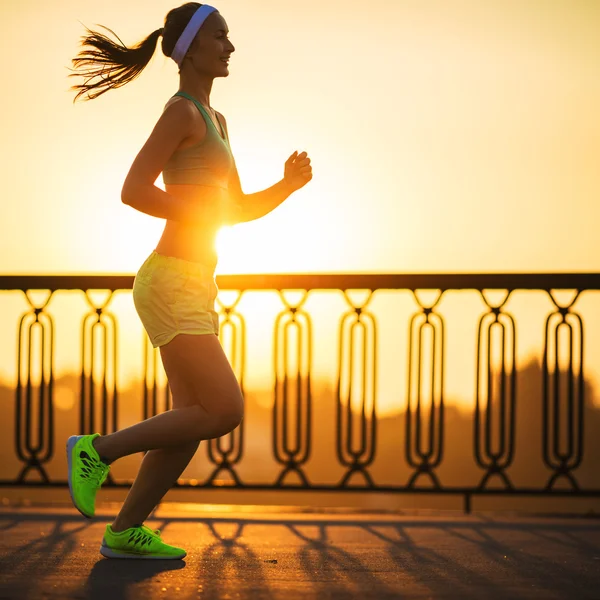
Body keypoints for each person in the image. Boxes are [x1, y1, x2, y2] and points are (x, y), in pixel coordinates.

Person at [66, 2, 313, 560]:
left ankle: (125, 530)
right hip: (170, 281)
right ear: (194, 48)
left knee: (188, 423)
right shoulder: (181, 113)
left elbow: (239, 209)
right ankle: (96, 451)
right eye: (221, 37)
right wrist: (194, 213)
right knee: (224, 409)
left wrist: (287, 186)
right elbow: (133, 189)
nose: (230, 47)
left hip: (195, 282)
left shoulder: (217, 122)